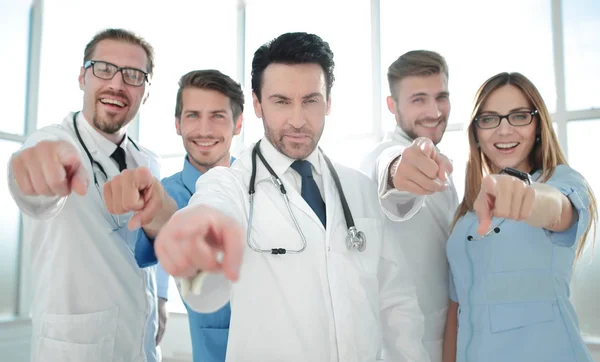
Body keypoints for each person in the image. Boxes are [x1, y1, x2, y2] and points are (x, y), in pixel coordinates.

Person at [152, 32, 428, 362]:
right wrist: (197, 238)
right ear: (257, 104)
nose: (297, 120)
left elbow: (397, 305)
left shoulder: (359, 189)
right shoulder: (231, 185)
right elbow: (211, 213)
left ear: (328, 102)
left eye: (310, 100)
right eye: (281, 101)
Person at [7, 28, 163, 362]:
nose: (117, 85)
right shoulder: (51, 142)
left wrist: (159, 300)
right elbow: (36, 185)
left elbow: (149, 246)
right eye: (104, 68)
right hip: (74, 350)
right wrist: (34, 174)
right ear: (82, 77)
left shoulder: (147, 160)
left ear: (146, 92)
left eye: (134, 76)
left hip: (142, 344)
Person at [443, 72, 597, 362]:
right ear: (476, 132)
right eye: (489, 119)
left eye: (519, 116)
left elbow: (557, 209)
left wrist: (528, 198)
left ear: (538, 125)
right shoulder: (465, 215)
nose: (504, 130)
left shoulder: (561, 181)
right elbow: (456, 309)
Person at [103, 69, 244, 362]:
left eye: (217, 115)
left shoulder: (262, 184)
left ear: (238, 123)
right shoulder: (166, 193)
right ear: (177, 124)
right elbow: (160, 232)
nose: (204, 130)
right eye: (192, 115)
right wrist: (161, 296)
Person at [360, 50, 458, 362]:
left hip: (451, 341)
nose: (434, 111)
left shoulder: (446, 169)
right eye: (418, 99)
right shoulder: (383, 155)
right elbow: (390, 174)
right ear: (393, 105)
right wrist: (397, 169)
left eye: (440, 96)